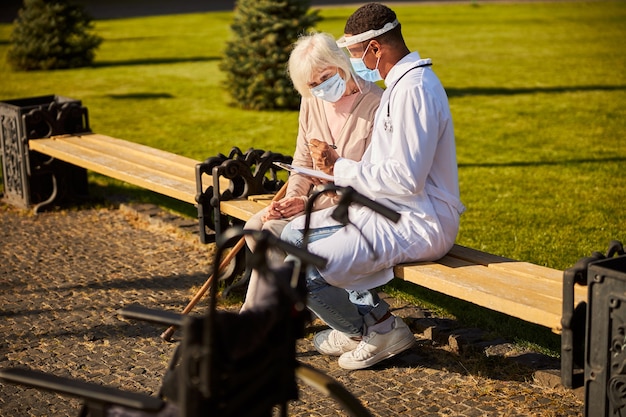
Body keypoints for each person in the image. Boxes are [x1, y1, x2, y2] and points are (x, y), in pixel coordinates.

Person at [280, 3, 465, 370]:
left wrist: (339, 166)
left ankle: (380, 329)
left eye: (354, 54)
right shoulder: (401, 86)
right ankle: (358, 328)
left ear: (375, 49)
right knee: (292, 236)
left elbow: (405, 180)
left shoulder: (413, 91)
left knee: (300, 270)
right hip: (389, 211)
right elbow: (387, 169)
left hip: (418, 221)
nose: (355, 64)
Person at [240, 32, 383, 311]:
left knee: (270, 232)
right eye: (312, 84)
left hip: (353, 208)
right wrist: (288, 201)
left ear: (340, 63)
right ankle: (281, 311)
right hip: (315, 202)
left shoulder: (376, 105)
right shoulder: (312, 101)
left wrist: (303, 205)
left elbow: (368, 182)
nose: (320, 88)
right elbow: (302, 161)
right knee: (254, 227)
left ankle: (256, 319)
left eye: (325, 77)